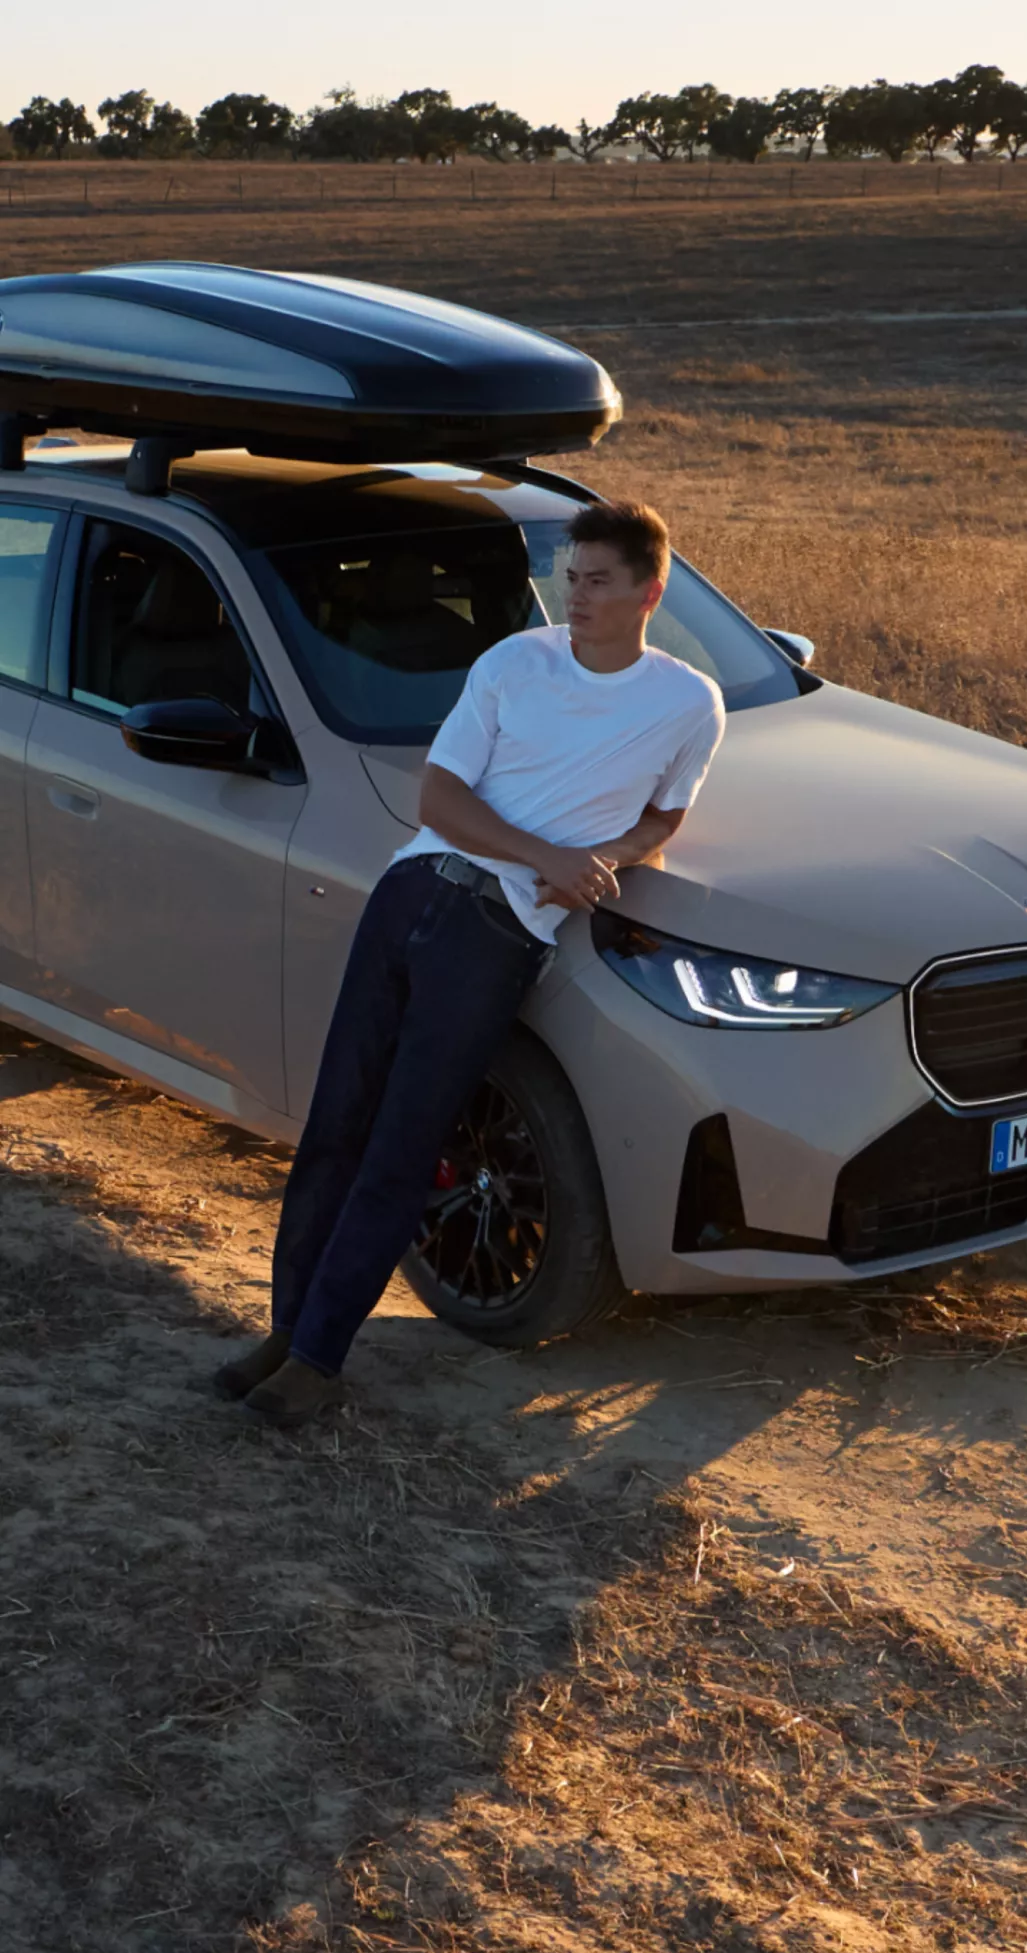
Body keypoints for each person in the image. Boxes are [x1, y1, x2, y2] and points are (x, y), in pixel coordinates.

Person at [213, 499, 725, 1427]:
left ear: (650, 591)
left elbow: (668, 814)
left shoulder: (687, 702)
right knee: (334, 1128)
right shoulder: (511, 663)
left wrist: (611, 857)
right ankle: (285, 1335)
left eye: (598, 581)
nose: (574, 596)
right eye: (569, 576)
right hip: (410, 894)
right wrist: (549, 856)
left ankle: (320, 1360)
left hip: (496, 936)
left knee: (403, 1145)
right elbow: (441, 802)